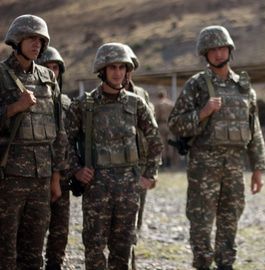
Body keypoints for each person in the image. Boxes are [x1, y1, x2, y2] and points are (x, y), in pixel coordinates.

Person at [168, 25, 265, 270]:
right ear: (205, 53)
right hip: (204, 166)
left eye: (221, 48)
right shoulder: (197, 85)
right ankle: (202, 264)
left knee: (230, 220)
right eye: (212, 50)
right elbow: (175, 124)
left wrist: (258, 168)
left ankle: (226, 265)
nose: (218, 54)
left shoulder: (243, 87)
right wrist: (202, 113)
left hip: (234, 166)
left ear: (229, 49)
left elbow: (253, 129)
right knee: (201, 222)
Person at [66, 42, 163, 269]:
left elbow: (155, 139)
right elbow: (64, 142)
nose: (118, 73)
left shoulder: (136, 103)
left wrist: (149, 174)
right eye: (113, 68)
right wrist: (76, 169)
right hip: (96, 187)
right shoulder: (84, 105)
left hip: (128, 188)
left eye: (122, 68)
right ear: (102, 71)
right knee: (94, 248)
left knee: (123, 248)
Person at [0, 15, 67, 269]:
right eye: (30, 38)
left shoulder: (48, 79)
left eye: (40, 40)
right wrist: (13, 108)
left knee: (33, 249)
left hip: (41, 177)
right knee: (5, 248)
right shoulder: (1, 75)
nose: (36, 44)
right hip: (9, 177)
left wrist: (56, 176)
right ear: (16, 41)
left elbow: (59, 131)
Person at [37, 46, 72, 270]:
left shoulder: (68, 103)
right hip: (36, 174)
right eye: (47, 67)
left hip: (63, 174)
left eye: (55, 68)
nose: (52, 72)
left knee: (60, 230)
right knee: (33, 230)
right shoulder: (31, 100)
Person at [122, 43, 157, 270]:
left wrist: (152, 171)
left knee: (134, 223)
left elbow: (152, 135)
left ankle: (130, 263)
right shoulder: (95, 98)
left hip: (138, 170)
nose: (123, 72)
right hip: (109, 171)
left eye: (127, 67)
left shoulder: (141, 95)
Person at [154, 91, 175, 167]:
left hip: (161, 124)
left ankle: (163, 161)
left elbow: (156, 116)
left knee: (162, 144)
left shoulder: (158, 104)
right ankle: (169, 161)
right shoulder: (171, 104)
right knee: (170, 144)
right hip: (169, 125)